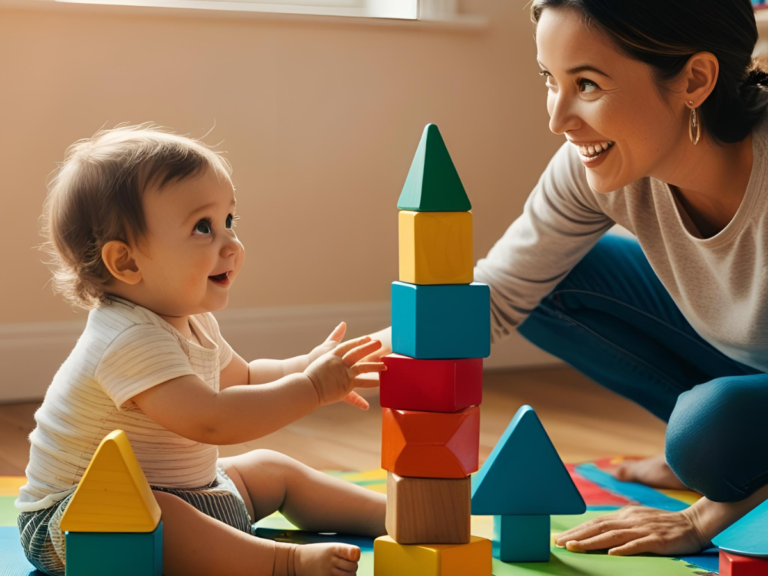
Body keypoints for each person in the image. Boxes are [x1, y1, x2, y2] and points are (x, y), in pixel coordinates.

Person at [370, 0, 768, 558]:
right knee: (554, 278)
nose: (558, 119)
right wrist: (321, 375)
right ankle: (722, 444)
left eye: (587, 85)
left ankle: (718, 446)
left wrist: (703, 519)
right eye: (549, 81)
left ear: (695, 79)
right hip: (749, 369)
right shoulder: (592, 171)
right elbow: (497, 296)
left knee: (709, 434)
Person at [16, 125, 387, 576]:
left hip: (193, 493)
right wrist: (310, 388)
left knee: (270, 469)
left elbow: (245, 378)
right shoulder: (125, 339)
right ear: (127, 262)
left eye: (229, 221)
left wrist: (305, 365)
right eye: (203, 228)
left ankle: (389, 514)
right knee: (160, 513)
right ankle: (279, 563)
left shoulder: (191, 321)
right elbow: (211, 419)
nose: (231, 243)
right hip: (83, 523)